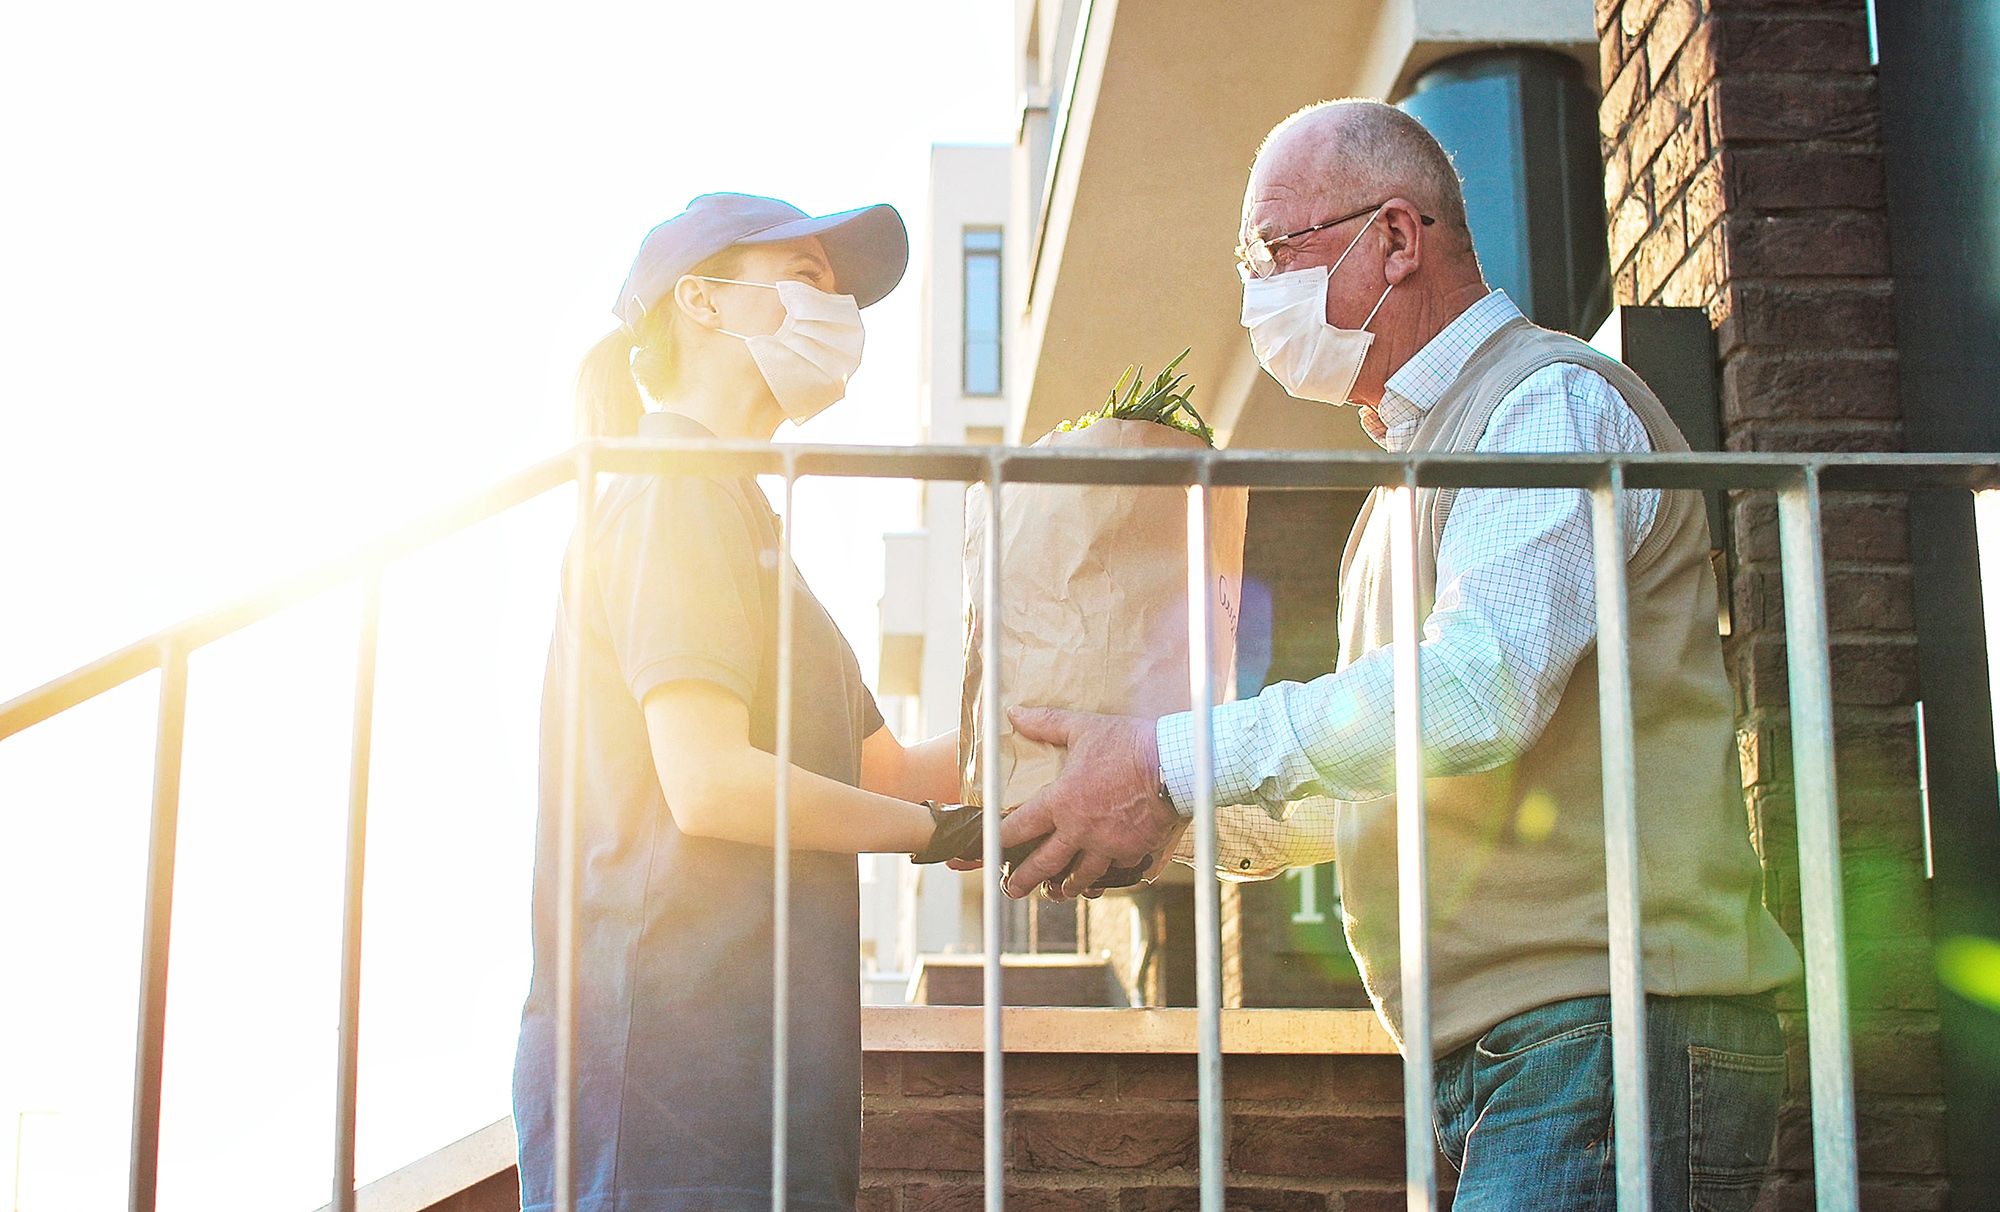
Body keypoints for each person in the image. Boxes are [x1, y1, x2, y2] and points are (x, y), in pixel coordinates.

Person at [996, 101, 1803, 1211]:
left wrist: (1163, 758)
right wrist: (1144, 815)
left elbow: (1476, 693)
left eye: (1276, 250)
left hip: (1603, 1026)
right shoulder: (1408, 484)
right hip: (1522, 1050)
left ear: (1394, 237)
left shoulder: (1544, 406)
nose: (1255, 292)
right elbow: (1401, 780)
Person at [512, 193, 998, 1212]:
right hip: (668, 1079)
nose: (842, 313)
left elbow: (883, 771)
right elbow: (708, 782)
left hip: (756, 1077)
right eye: (811, 278)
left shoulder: (746, 524)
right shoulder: (668, 486)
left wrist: (1062, 718)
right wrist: (939, 832)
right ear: (702, 301)